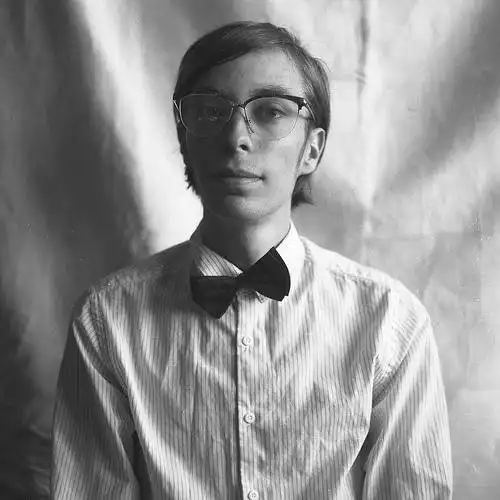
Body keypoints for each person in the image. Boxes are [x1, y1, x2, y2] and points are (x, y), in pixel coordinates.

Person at [51, 21, 453, 499]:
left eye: (271, 111)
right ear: (184, 138)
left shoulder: (390, 323)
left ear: (312, 150)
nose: (236, 137)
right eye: (210, 111)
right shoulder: (106, 320)